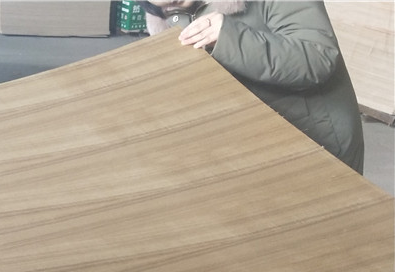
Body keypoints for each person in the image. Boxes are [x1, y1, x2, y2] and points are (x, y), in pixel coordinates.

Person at [143, 1, 365, 173]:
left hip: (315, 137)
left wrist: (229, 38)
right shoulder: (163, 11)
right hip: (245, 144)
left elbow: (317, 58)